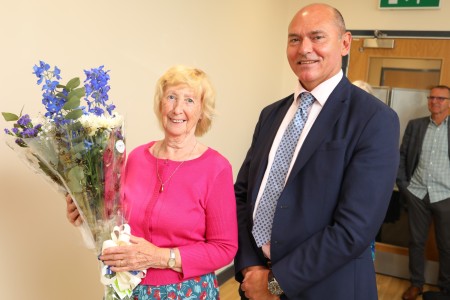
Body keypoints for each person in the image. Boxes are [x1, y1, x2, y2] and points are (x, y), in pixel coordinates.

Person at [234, 3, 400, 300]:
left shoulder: (374, 119)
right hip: (255, 283)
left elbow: (354, 229)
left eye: (317, 37)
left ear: (345, 43)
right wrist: (250, 268)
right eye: (294, 39)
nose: (304, 49)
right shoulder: (271, 114)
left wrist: (275, 283)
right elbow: (243, 195)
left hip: (327, 288)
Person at [67, 65, 238, 299]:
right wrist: (84, 214)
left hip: (186, 292)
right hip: (126, 288)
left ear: (202, 111)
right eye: (171, 97)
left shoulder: (216, 168)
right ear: (160, 105)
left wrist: (160, 256)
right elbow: (114, 219)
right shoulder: (137, 157)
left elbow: (224, 249)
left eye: (189, 100)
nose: (177, 108)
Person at [397, 85, 450, 300]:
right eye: (432, 97)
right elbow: (401, 157)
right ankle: (416, 284)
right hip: (417, 193)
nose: (435, 101)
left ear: (449, 102)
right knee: (416, 242)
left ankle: (445, 288)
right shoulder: (416, 125)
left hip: (445, 195)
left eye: (441, 98)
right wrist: (403, 185)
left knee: (446, 245)